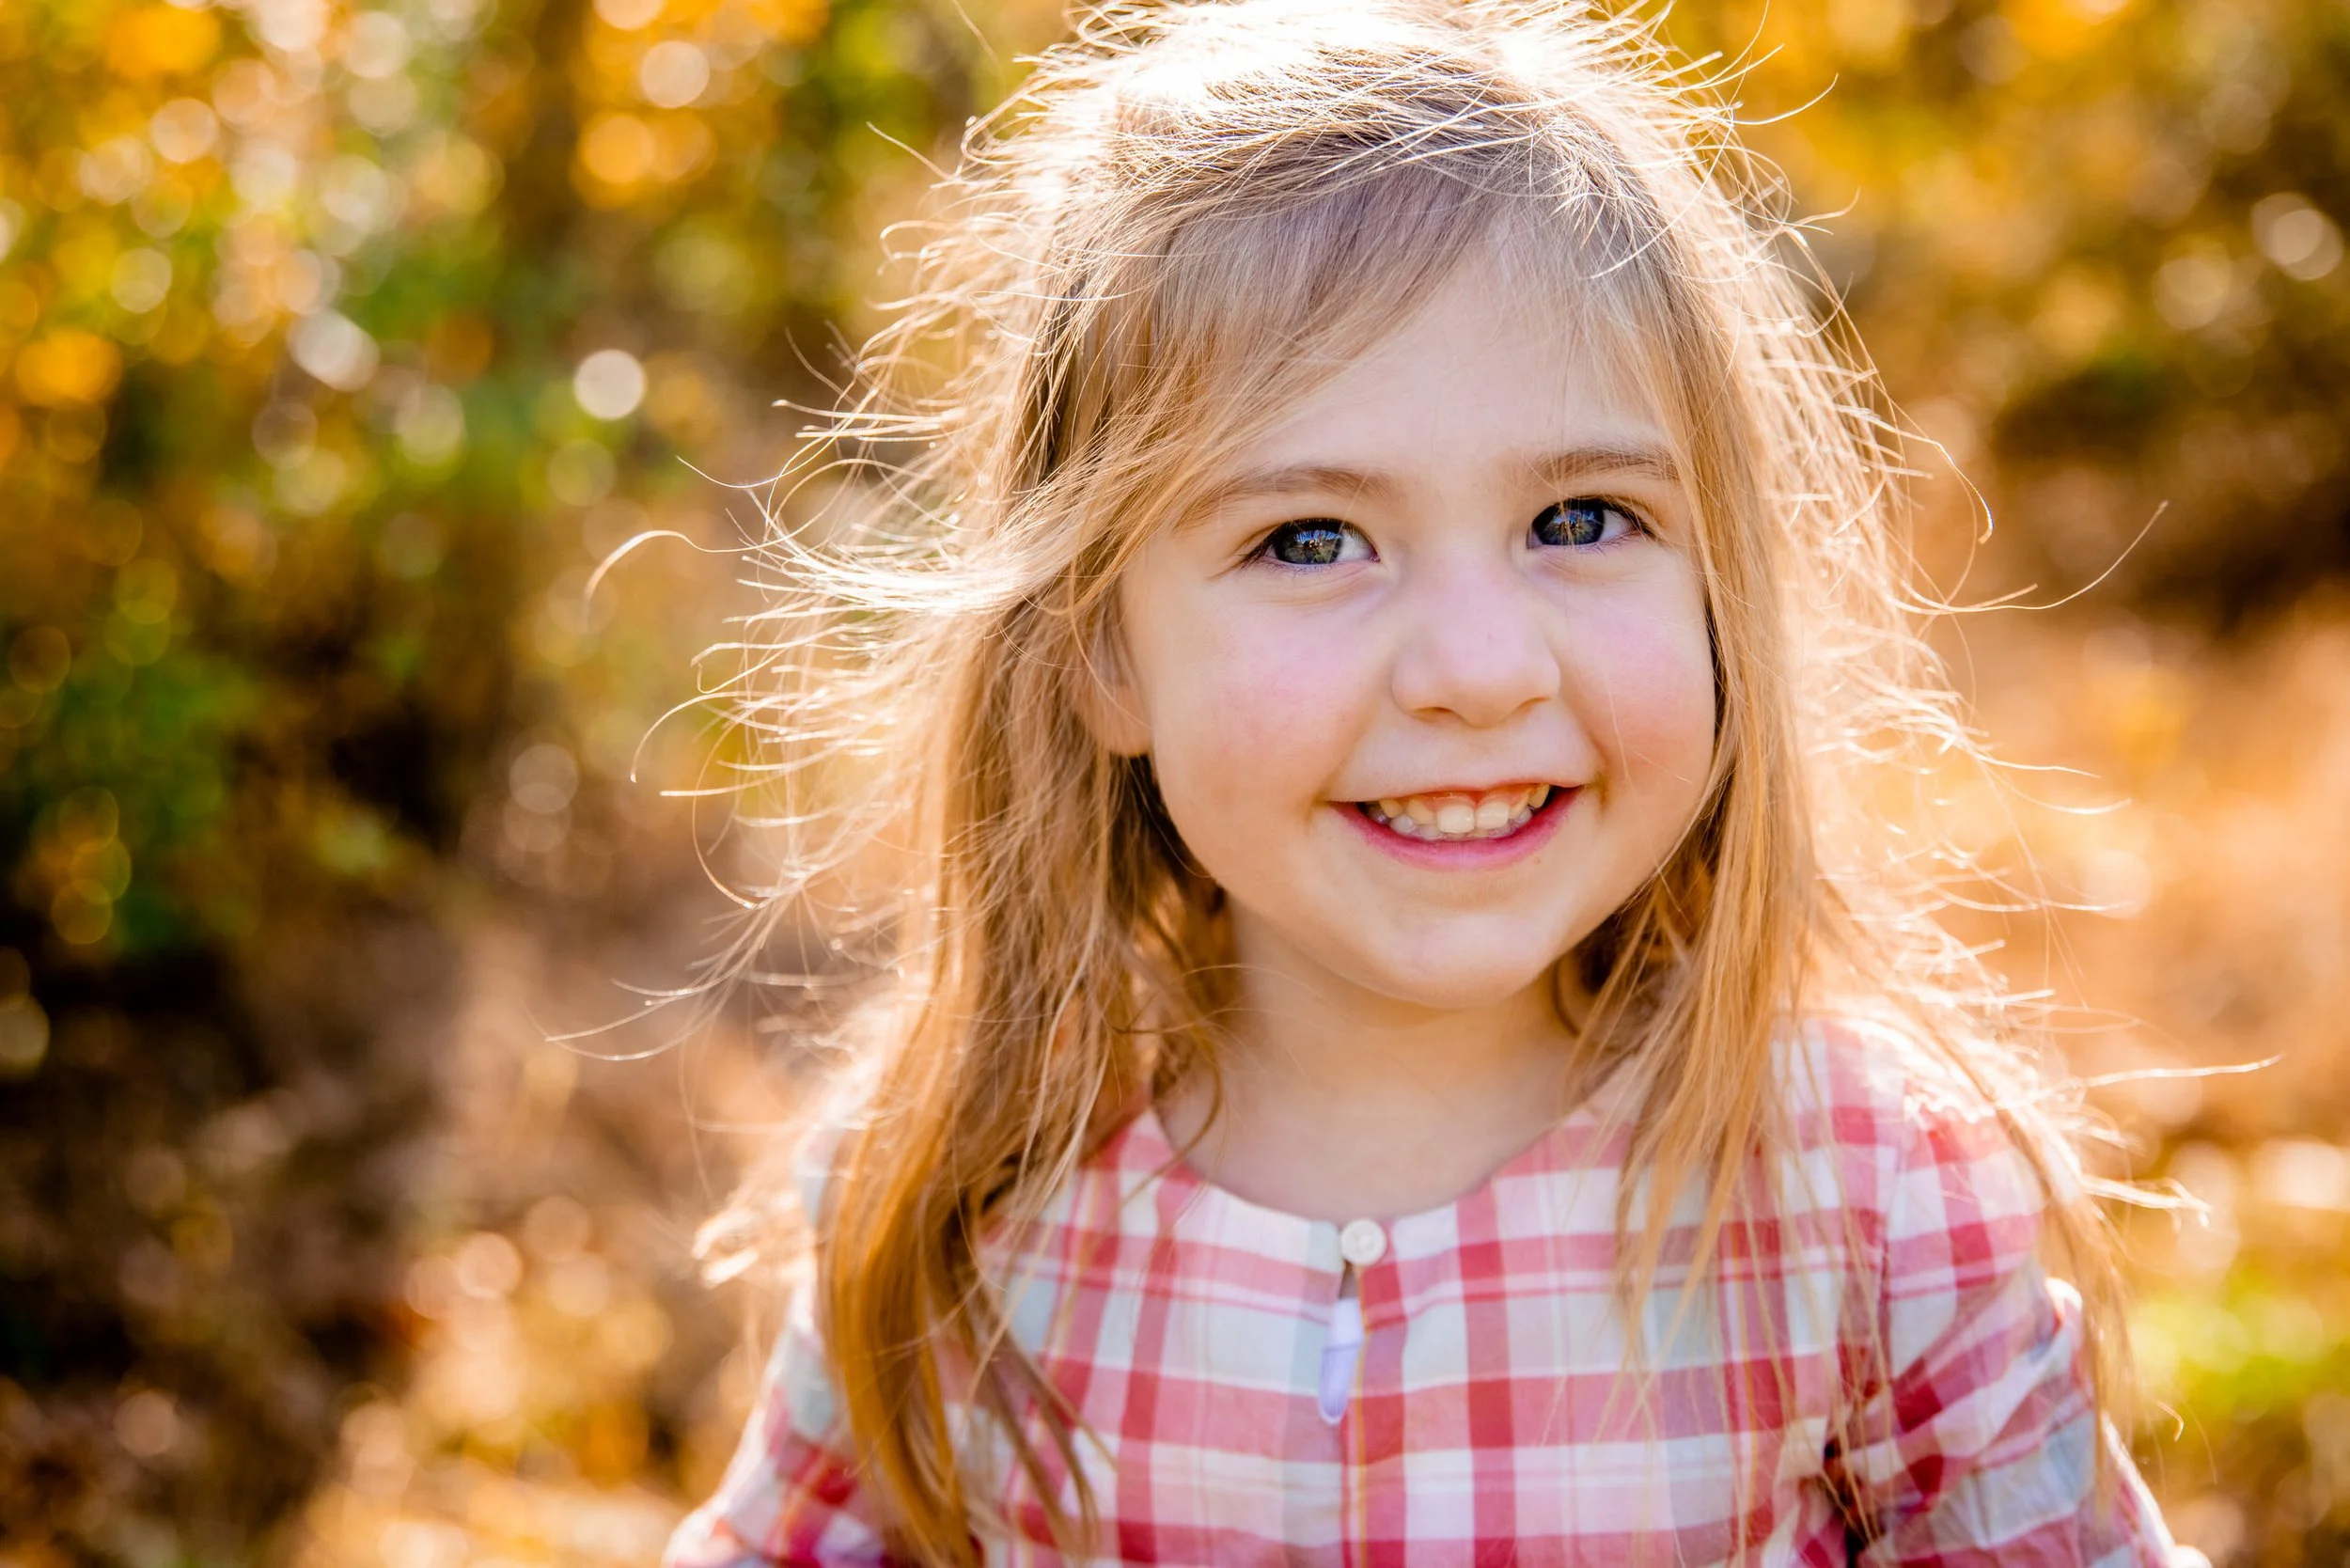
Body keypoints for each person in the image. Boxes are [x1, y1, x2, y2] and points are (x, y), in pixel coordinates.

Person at [666, 0, 2189, 1560]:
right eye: (1310, 540)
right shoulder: (969, 1198)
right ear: (1100, 654)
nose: (1478, 668)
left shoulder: (1861, 1201)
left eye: (1583, 519)